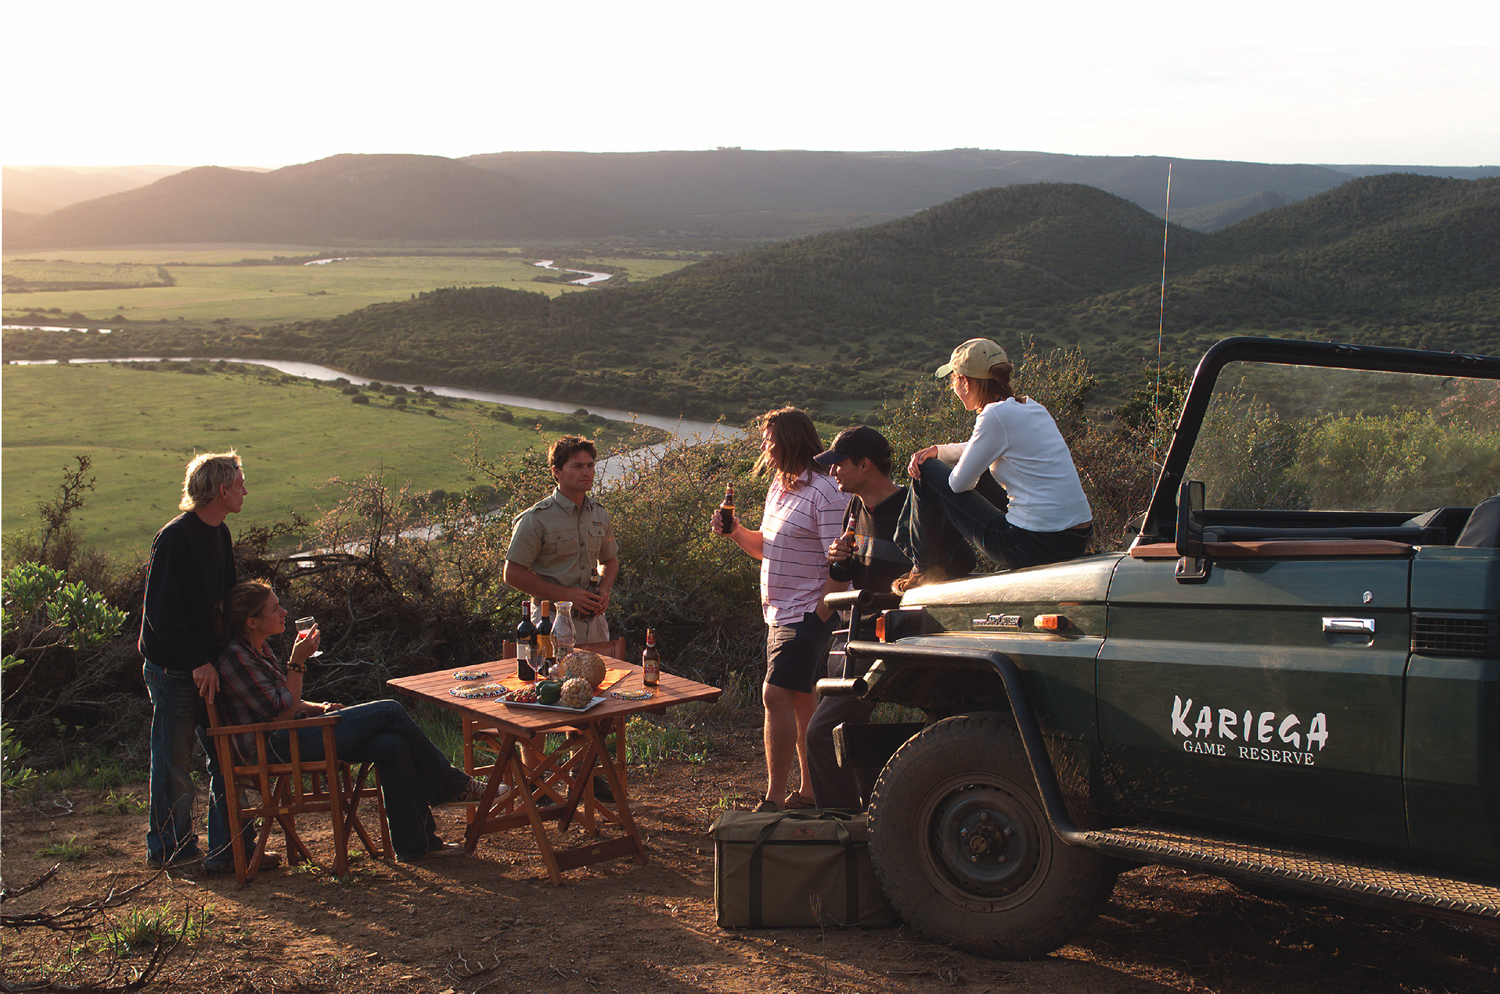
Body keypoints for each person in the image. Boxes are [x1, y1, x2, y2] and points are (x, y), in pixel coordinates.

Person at [212, 581, 505, 862]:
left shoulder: (259, 650)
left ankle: (417, 844)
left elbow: (288, 703)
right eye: (275, 608)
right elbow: (281, 713)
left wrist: (320, 706)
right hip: (271, 747)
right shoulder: (236, 658)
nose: (284, 612)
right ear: (252, 621)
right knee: (389, 710)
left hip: (289, 733)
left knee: (392, 744)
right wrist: (297, 662)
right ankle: (449, 785)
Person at [711, 408, 845, 812]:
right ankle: (809, 792)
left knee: (774, 695)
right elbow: (766, 547)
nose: (764, 448)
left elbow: (841, 562)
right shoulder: (780, 487)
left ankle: (772, 798)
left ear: (790, 440)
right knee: (802, 700)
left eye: (769, 440)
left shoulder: (826, 490)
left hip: (807, 611)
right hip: (779, 611)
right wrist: (735, 531)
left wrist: (819, 616)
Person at [895, 338, 1093, 591]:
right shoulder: (1031, 407)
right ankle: (937, 564)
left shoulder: (993, 415)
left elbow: (958, 485)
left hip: (1028, 545)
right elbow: (989, 446)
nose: (954, 388)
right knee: (945, 462)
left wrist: (941, 462)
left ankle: (924, 569)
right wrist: (941, 451)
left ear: (964, 381)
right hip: (1075, 539)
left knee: (926, 470)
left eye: (953, 380)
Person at [804, 426, 927, 810]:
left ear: (865, 464)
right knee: (844, 733)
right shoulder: (855, 506)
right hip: (852, 632)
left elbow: (934, 567)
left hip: (887, 636)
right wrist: (839, 560)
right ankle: (868, 819)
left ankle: (842, 823)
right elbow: (846, 574)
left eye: (839, 464)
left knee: (822, 733)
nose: (833, 472)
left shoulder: (911, 506)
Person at [140, 451, 248, 873]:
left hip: (208, 665)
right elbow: (161, 615)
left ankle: (230, 848)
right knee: (174, 761)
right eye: (239, 483)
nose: (244, 490)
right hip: (175, 670)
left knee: (225, 756)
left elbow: (226, 604)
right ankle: (170, 849)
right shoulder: (175, 538)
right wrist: (198, 661)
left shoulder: (220, 535)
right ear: (221, 490)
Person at [504, 435, 619, 643]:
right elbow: (512, 573)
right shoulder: (536, 518)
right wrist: (566, 596)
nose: (586, 472)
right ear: (556, 472)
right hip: (551, 622)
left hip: (595, 625)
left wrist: (603, 591)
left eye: (590, 465)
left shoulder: (599, 514)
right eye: (577, 466)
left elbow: (610, 560)